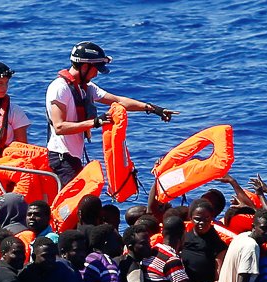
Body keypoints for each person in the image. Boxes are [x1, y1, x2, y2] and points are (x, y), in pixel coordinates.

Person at [46, 41, 176, 186]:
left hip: (74, 157)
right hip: (62, 158)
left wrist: (152, 108)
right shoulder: (59, 88)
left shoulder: (86, 88)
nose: (96, 74)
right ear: (84, 67)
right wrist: (95, 122)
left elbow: (119, 101)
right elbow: (59, 127)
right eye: (96, 69)